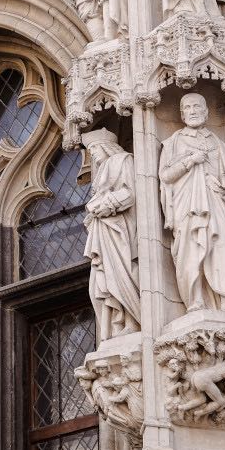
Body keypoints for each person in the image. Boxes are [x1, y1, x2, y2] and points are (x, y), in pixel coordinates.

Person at [159, 93, 225, 312]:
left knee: (220, 246)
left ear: (206, 112)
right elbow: (166, 176)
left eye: (198, 106)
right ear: (182, 114)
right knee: (190, 250)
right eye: (188, 107)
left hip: (215, 202)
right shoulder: (174, 141)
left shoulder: (218, 143)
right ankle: (195, 301)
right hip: (187, 206)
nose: (193, 111)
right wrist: (189, 162)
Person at [81, 129, 140, 340]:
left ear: (107, 146)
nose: (93, 153)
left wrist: (107, 205)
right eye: (90, 150)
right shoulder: (103, 170)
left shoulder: (123, 160)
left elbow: (130, 193)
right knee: (98, 285)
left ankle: (132, 320)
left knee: (122, 273)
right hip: (103, 231)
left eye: (95, 148)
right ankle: (115, 327)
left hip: (120, 230)